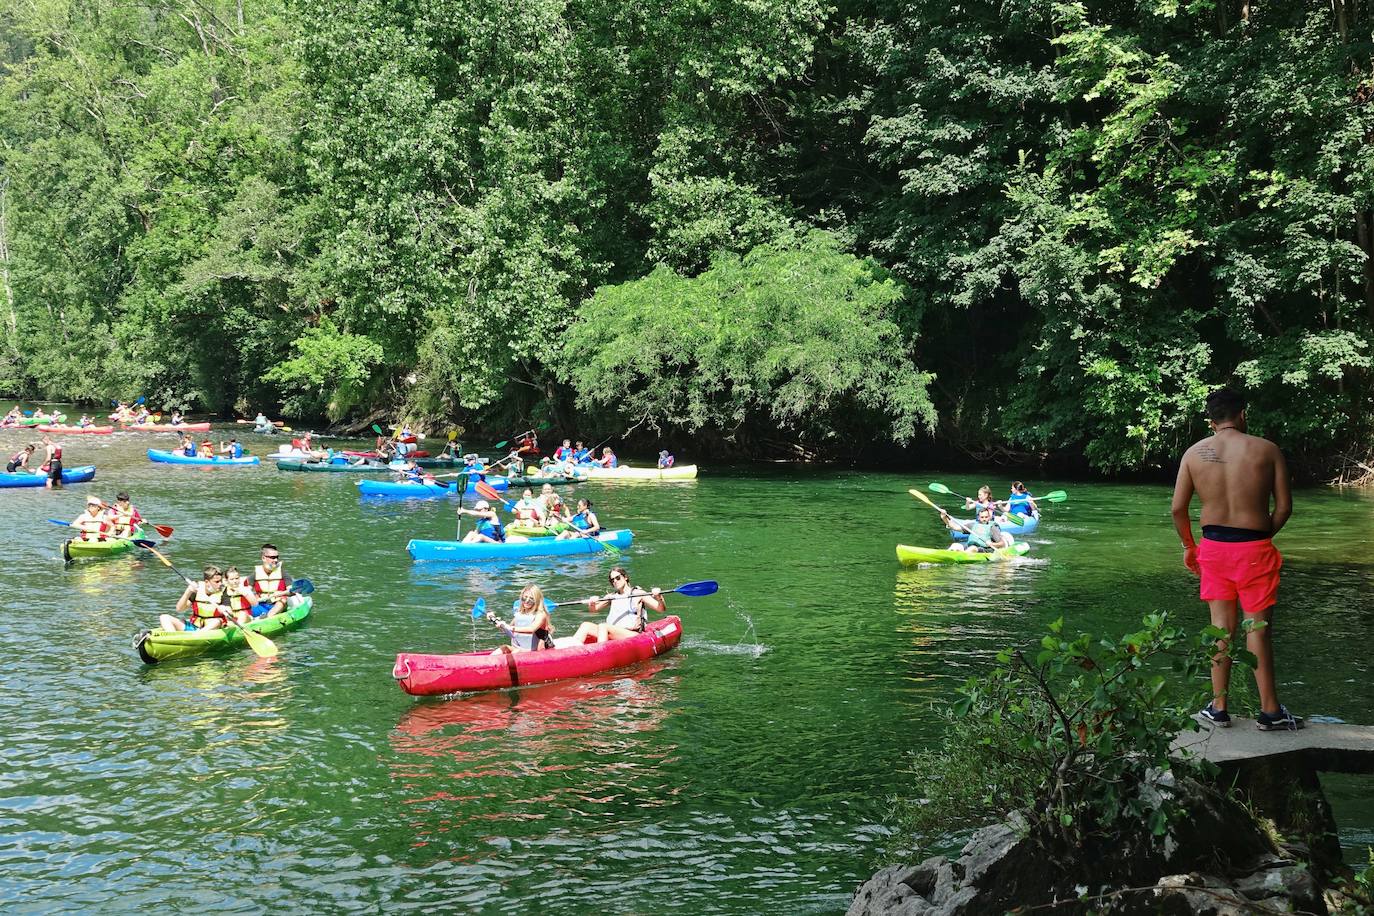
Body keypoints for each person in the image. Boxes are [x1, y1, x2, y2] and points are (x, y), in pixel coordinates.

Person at [1172, 387, 1299, 731]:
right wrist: (1259, 538)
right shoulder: (1267, 450)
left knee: (1221, 630)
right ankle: (1270, 712)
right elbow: (1285, 508)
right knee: (1256, 629)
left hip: (1212, 549)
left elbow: (1177, 509)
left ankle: (1218, 707)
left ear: (1210, 420)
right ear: (1243, 414)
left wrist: (1189, 546)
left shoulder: (1194, 453)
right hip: (1255, 546)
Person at [569, 567, 667, 644]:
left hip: (632, 634)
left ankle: (600, 653)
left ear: (625, 577)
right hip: (614, 632)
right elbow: (593, 610)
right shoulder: (611, 596)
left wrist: (659, 596)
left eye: (618, 578)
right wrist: (592, 603)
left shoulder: (638, 593)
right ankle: (571, 651)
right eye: (612, 580)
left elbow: (660, 609)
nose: (615, 581)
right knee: (585, 625)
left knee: (603, 626)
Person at [485, 585, 554, 653]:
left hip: (535, 652)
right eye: (525, 598)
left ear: (537, 601)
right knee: (503, 648)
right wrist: (497, 622)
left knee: (516, 652)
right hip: (519, 649)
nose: (527, 601)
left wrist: (509, 627)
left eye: (531, 599)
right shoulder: (519, 614)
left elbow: (531, 629)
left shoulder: (541, 614)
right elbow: (509, 631)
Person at [160, 565, 230, 632]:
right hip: (194, 626)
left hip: (213, 628)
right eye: (217, 582)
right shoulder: (197, 589)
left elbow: (229, 610)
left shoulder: (224, 591)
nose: (220, 584)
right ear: (207, 582)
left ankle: (197, 635)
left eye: (220, 581)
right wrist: (188, 592)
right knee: (164, 617)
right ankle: (173, 639)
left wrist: (224, 609)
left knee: (217, 621)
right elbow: (179, 609)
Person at [940, 505, 1009, 553]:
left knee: (972, 548)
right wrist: (944, 517)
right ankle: (944, 555)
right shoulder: (972, 525)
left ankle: (962, 556)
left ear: (989, 517)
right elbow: (954, 527)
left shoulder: (993, 527)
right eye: (982, 517)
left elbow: (1002, 543)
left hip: (984, 550)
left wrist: (992, 544)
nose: (984, 519)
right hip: (970, 548)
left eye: (986, 517)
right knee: (955, 545)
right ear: (978, 517)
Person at [250, 544, 291, 617]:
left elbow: (291, 591)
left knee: (282, 601)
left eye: (277, 557)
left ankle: (269, 616)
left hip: (278, 604)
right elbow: (247, 591)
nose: (276, 560)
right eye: (272, 557)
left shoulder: (283, 573)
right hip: (261, 604)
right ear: (263, 558)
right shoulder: (255, 574)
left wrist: (280, 593)